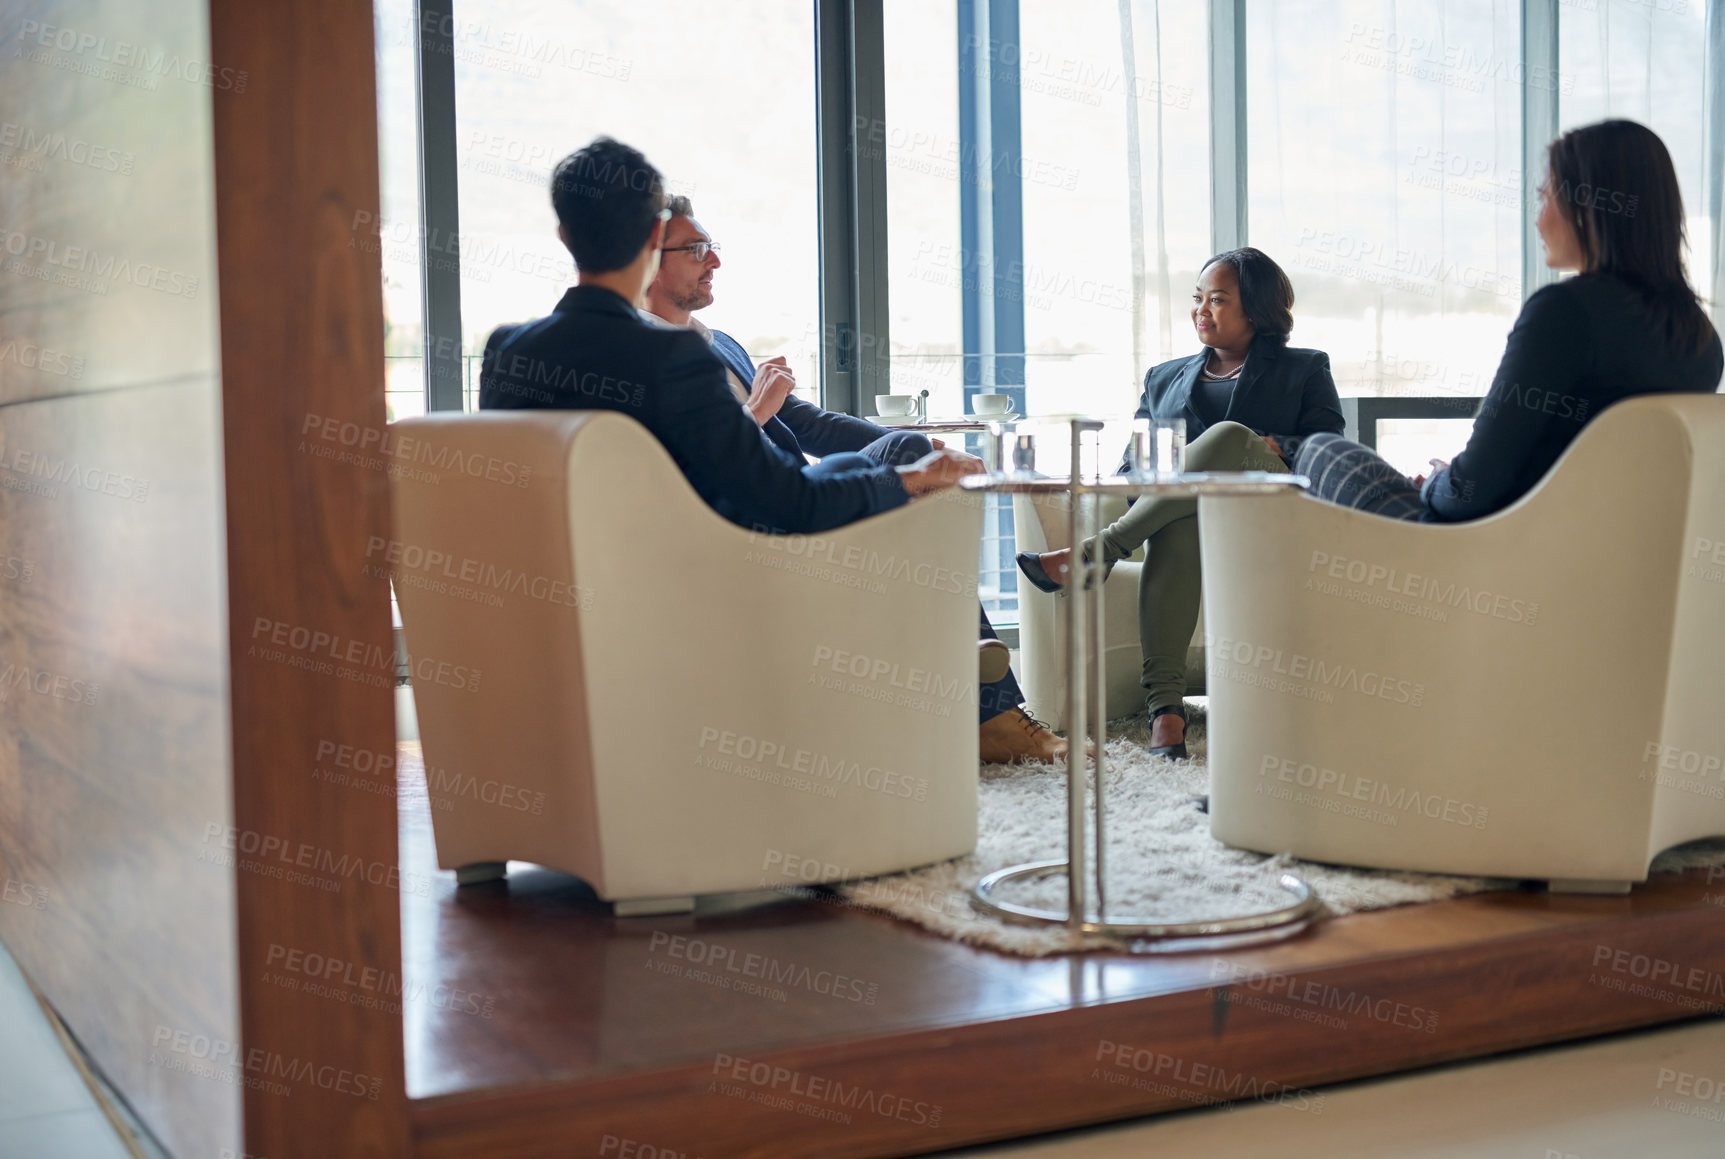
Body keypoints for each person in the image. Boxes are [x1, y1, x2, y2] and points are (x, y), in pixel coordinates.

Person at [638, 193, 1069, 763]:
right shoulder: (642, 357)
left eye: (711, 246)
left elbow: (812, 424)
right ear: (648, 259)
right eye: (696, 250)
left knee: (911, 447)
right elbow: (689, 465)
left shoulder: (720, 344)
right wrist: (757, 412)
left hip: (805, 495)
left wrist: (927, 455)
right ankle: (988, 700)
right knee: (912, 471)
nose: (714, 260)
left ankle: (980, 686)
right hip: (766, 518)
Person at [1288, 119, 1721, 523]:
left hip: (1501, 557)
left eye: (1544, 197)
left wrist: (1440, 479)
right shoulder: (1701, 338)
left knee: (1321, 450)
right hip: (1617, 565)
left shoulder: (1565, 313)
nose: (1538, 218)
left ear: (1587, 209)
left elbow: (1469, 493)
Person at [1014, 248, 1344, 758]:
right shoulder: (1163, 377)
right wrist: (1163, 485)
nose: (1200, 310)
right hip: (1184, 516)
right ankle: (1166, 713)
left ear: (1255, 309)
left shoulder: (1303, 368)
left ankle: (1098, 551)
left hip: (1267, 514)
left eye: (1217, 300)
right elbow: (1130, 469)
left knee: (1229, 435)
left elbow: (1328, 449)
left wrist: (1273, 444)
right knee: (1178, 522)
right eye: (1197, 299)